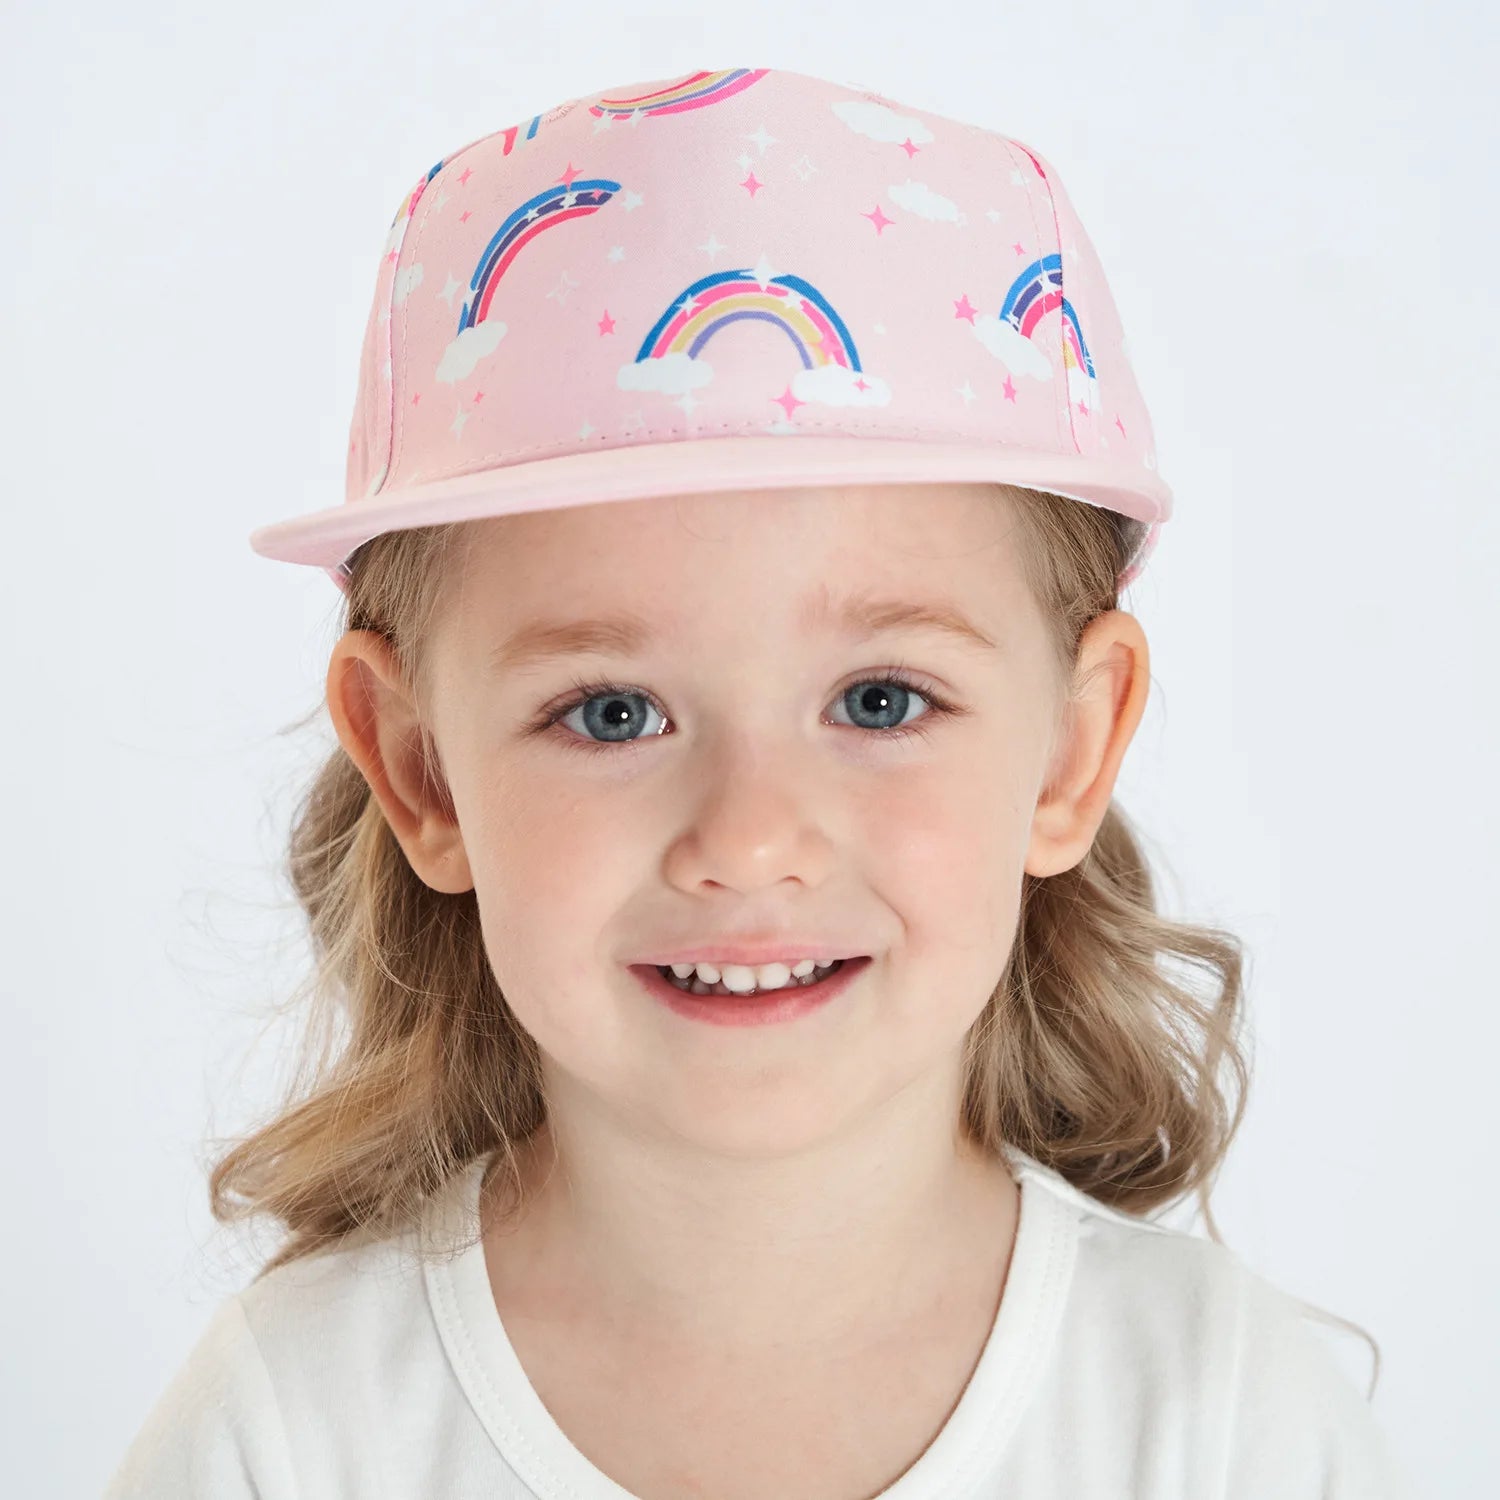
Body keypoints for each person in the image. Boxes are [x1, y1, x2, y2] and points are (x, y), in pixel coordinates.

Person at [103, 65, 1416, 1499]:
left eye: (880, 700)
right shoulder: (294, 1433)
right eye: (612, 712)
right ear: (421, 769)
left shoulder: (1217, 1419)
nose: (748, 840)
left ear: (1071, 748)